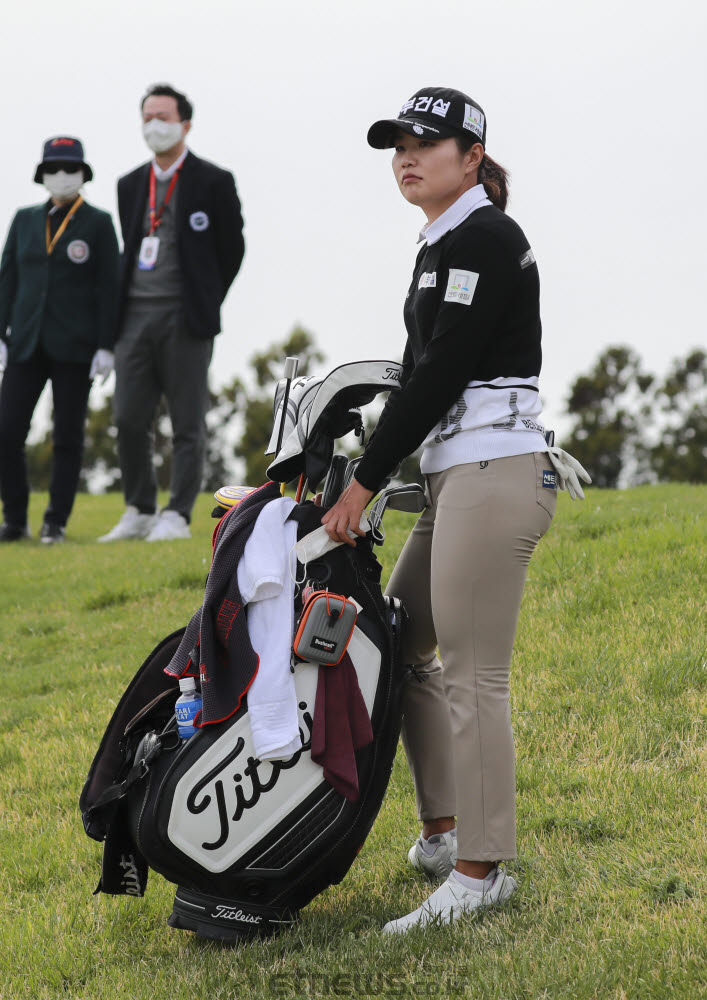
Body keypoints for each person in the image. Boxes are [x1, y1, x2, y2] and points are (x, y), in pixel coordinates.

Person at [322, 87, 589, 932]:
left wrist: (365, 480)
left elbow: (441, 371)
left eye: (426, 143)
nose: (406, 156)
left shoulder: (483, 235)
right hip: (456, 474)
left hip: (495, 473)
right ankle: (443, 833)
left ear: (471, 157)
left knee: (475, 674)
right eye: (398, 143)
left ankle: (480, 872)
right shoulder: (440, 241)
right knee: (399, 642)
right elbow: (420, 375)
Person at [98, 83, 245, 544]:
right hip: (134, 316)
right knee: (128, 419)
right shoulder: (128, 183)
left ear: (185, 124)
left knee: (187, 421)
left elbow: (232, 249)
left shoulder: (213, 180)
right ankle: (139, 509)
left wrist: (204, 298)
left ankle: (177, 513)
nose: (154, 125)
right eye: (147, 117)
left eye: (162, 116)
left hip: (185, 317)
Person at [0, 137, 119, 544]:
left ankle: (56, 521)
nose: (62, 175)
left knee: (67, 436)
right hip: (25, 343)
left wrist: (107, 345)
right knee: (7, 430)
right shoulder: (24, 219)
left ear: (83, 174)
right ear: (42, 174)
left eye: (70, 168)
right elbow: (7, 281)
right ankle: (15, 518)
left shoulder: (99, 223)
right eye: (54, 168)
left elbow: (110, 288)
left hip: (76, 347)